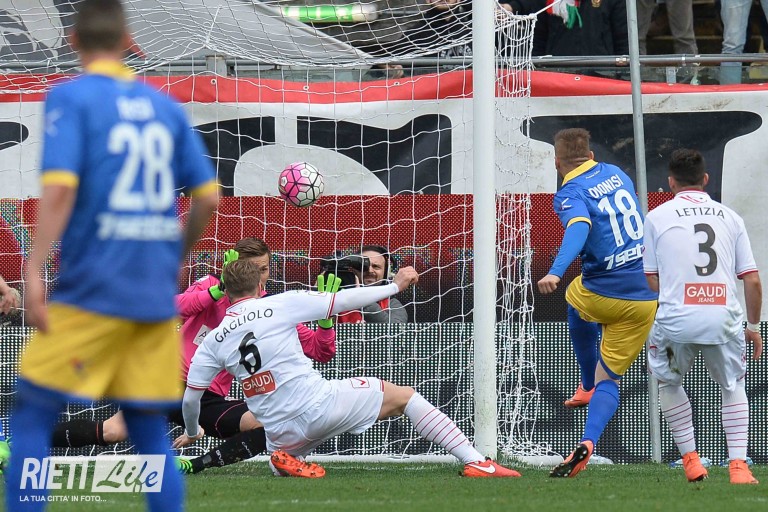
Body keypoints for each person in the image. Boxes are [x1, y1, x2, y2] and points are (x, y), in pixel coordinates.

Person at [5, 0, 219, 509]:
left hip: (91, 291)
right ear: (129, 42)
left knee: (32, 415)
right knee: (146, 427)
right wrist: (175, 254)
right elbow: (208, 197)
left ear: (73, 42)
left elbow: (60, 189)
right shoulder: (165, 108)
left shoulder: (71, 97)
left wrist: (33, 270)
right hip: (150, 298)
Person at [174, 259, 521, 479]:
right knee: (405, 397)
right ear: (260, 287)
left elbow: (191, 399)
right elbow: (344, 301)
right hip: (320, 405)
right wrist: (394, 286)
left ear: (226, 291)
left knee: (279, 452)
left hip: (279, 431)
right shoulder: (279, 303)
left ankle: (285, 461)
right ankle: (478, 462)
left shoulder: (213, 340)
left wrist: (192, 430)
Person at [48, 237, 340, 476]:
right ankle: (25, 440)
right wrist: (218, 291)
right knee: (114, 431)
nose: (259, 277)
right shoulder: (210, 286)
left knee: (268, 424)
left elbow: (320, 351)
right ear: (234, 268)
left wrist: (326, 323)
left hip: (205, 398)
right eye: (252, 269)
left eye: (263, 269)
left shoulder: (274, 309)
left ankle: (196, 465)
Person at [537, 128, 657, 478]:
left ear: (557, 163)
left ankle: (587, 383)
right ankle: (589, 441)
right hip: (646, 297)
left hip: (604, 292)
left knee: (574, 293)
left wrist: (555, 271)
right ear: (590, 156)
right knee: (612, 379)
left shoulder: (570, 191)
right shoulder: (617, 173)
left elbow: (579, 226)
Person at [643, 149, 762, 484]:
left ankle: (691, 460)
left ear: (670, 182)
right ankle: (738, 466)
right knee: (733, 384)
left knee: (669, 382)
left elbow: (651, 278)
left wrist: (679, 291)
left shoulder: (656, 217)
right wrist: (753, 327)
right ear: (705, 179)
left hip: (675, 321)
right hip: (722, 318)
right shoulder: (731, 217)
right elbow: (752, 280)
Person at [336, 245, 408, 324]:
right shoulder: (337, 299)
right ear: (353, 270)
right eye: (364, 266)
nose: (370, 270)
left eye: (376, 266)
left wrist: (361, 297)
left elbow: (396, 329)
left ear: (386, 273)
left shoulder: (392, 304)